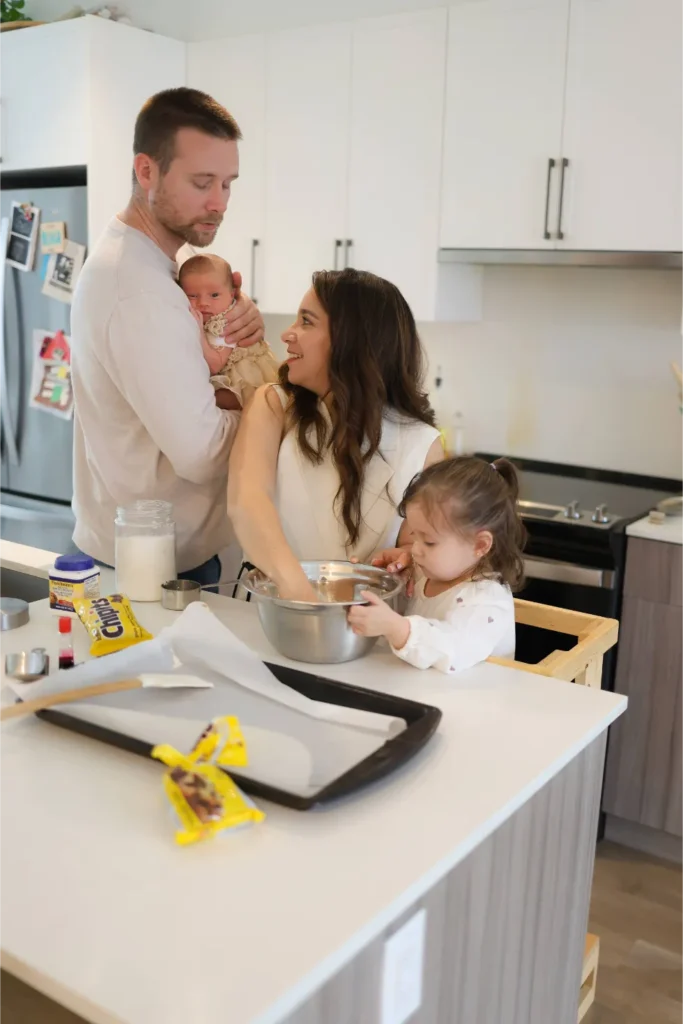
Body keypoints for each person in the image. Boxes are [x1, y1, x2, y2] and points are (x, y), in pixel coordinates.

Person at [71, 88, 265, 587]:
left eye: (228, 183)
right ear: (146, 171)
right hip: (150, 566)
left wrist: (236, 338)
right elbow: (202, 453)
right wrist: (271, 406)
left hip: (152, 551)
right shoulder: (136, 289)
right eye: (203, 182)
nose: (219, 202)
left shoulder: (154, 270)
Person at [228, 268, 444, 602]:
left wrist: (409, 558)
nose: (287, 334)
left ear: (351, 340)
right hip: (271, 615)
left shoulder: (421, 444)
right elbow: (247, 504)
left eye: (306, 322)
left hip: (365, 635)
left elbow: (417, 548)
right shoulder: (274, 406)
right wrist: (303, 596)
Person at [348, 456, 526, 674]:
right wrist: (373, 581)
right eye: (414, 535)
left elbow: (451, 649)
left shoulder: (487, 600)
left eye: (429, 542)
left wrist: (397, 628)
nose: (415, 549)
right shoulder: (429, 573)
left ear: (480, 544)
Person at [178, 253, 279, 410]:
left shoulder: (225, 323)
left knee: (215, 399)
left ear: (232, 294)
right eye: (192, 295)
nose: (203, 303)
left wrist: (199, 333)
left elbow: (215, 365)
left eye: (214, 295)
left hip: (247, 381)